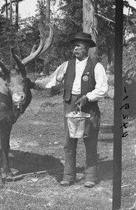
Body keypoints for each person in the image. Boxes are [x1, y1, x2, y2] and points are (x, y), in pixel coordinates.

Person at [45, 32, 108, 188]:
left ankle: (90, 177)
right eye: (73, 46)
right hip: (70, 104)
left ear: (86, 47)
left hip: (89, 105)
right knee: (69, 141)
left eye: (78, 45)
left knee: (90, 140)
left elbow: (103, 89)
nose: (75, 49)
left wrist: (88, 96)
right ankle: (68, 175)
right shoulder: (67, 65)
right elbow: (52, 80)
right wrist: (32, 84)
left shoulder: (96, 66)